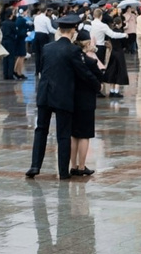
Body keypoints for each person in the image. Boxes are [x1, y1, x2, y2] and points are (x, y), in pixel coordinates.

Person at [25, 15, 101, 180]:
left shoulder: (47, 47)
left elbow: (43, 69)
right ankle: (63, 171)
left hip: (44, 94)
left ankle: (35, 166)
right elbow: (83, 72)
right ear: (73, 31)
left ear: (59, 30)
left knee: (41, 130)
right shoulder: (73, 50)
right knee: (63, 134)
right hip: (62, 96)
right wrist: (97, 85)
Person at [70, 29, 105, 176]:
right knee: (84, 135)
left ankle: (73, 165)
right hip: (86, 100)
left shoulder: (71, 58)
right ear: (88, 44)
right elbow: (99, 80)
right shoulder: (91, 62)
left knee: (73, 134)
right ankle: (82, 166)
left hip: (72, 98)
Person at [32, 8, 57, 76]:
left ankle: (37, 71)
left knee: (37, 54)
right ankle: (42, 69)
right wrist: (57, 31)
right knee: (43, 53)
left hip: (36, 35)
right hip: (44, 36)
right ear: (45, 11)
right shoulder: (46, 19)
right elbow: (50, 29)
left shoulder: (36, 17)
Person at [0, 8, 18, 80]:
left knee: (5, 58)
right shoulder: (12, 24)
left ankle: (5, 74)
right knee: (11, 58)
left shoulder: (3, 23)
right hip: (10, 41)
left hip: (4, 41)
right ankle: (10, 74)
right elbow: (15, 32)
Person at [13, 8, 31, 79]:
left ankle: (16, 70)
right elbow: (27, 28)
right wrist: (26, 33)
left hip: (18, 39)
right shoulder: (22, 20)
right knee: (22, 56)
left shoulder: (18, 19)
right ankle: (18, 72)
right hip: (21, 39)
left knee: (20, 56)